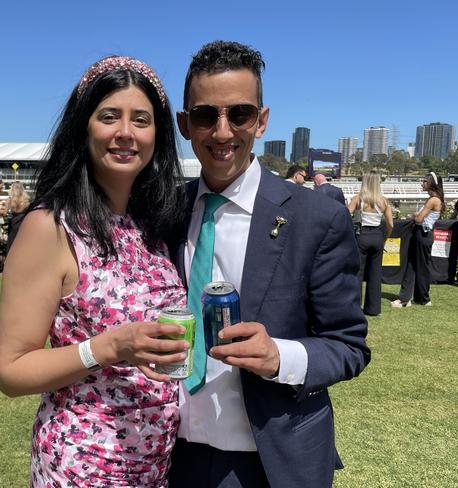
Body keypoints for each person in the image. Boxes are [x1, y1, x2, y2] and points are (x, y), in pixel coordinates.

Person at [169, 41, 370, 488]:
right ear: (185, 124)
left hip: (269, 462)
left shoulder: (316, 217)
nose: (222, 132)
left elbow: (349, 345)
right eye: (205, 115)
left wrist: (281, 355)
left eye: (238, 114)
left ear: (261, 121)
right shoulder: (163, 212)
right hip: (170, 455)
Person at [0, 55, 188, 487]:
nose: (125, 132)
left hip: (157, 466)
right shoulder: (50, 226)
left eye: (141, 119)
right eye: (109, 117)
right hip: (83, 465)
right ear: (84, 127)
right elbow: (11, 371)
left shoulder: (153, 225)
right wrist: (107, 347)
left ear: (158, 133)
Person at [391, 172, 445, 308]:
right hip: (423, 235)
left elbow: (419, 219)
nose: (422, 183)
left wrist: (416, 216)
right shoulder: (435, 199)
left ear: (432, 183)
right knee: (417, 266)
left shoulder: (433, 200)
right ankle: (419, 298)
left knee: (417, 267)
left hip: (423, 235)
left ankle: (413, 299)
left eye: (425, 181)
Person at [347, 170, 394, 316]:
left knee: (358, 272)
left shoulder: (358, 199)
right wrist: (385, 238)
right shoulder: (384, 201)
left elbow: (345, 216)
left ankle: (354, 306)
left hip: (362, 236)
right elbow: (391, 225)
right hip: (377, 236)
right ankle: (373, 309)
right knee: (375, 273)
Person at [4, 180, 30, 254]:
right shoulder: (26, 199)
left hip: (14, 222)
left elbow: (5, 212)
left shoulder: (11, 200)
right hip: (24, 222)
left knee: (12, 244)